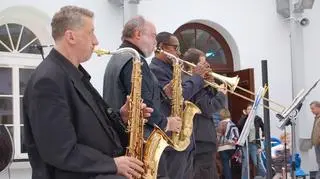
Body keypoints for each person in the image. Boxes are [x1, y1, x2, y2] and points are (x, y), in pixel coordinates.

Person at [23, 6, 153, 179]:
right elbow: (59, 150)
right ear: (71, 36)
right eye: (91, 32)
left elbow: (86, 127)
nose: (96, 41)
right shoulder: (48, 81)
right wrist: (112, 164)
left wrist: (122, 117)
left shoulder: (72, 73)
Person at [103, 16, 181, 178]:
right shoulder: (135, 60)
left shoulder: (119, 57)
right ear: (138, 34)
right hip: (141, 144)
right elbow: (142, 103)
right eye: (153, 35)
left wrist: (163, 93)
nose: (155, 41)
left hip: (124, 141)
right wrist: (167, 123)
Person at [149, 32, 211, 179]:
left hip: (184, 140)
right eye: (175, 48)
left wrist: (206, 83)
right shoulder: (155, 70)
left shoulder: (173, 69)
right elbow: (177, 96)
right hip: (172, 142)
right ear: (162, 47)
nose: (179, 52)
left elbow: (194, 100)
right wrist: (196, 78)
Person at [180, 48, 227, 179]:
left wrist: (210, 85)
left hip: (201, 138)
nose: (207, 66)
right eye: (203, 63)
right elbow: (207, 108)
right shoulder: (191, 82)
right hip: (201, 140)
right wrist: (221, 95)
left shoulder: (192, 82)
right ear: (193, 65)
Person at [238, 103, 266, 179]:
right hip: (245, 144)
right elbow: (239, 125)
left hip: (254, 144)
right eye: (248, 109)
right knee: (245, 163)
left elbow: (264, 128)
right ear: (246, 111)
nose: (250, 110)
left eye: (251, 109)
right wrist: (244, 116)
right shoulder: (245, 119)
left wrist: (263, 137)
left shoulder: (257, 118)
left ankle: (265, 176)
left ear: (254, 110)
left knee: (257, 162)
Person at [217, 108, 239, 179]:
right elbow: (237, 137)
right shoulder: (232, 123)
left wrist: (215, 146)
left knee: (225, 165)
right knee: (229, 165)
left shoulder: (221, 123)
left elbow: (218, 137)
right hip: (232, 148)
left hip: (223, 148)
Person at [310, 101, 320, 178]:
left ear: (318, 107)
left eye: (313, 108)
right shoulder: (317, 118)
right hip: (317, 144)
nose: (312, 111)